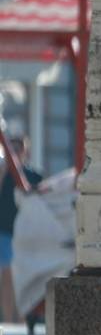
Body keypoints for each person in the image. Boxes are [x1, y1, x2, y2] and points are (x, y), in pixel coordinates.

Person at [1, 134, 44, 324]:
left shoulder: (34, 175)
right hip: (4, 232)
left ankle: (20, 319)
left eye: (18, 150)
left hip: (26, 235)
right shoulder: (3, 173)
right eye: (11, 150)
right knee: (8, 277)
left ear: (25, 152)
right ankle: (11, 319)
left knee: (22, 279)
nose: (15, 154)